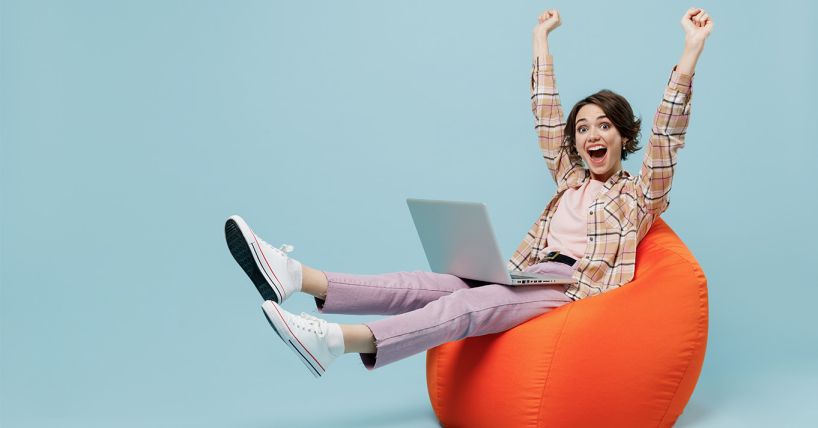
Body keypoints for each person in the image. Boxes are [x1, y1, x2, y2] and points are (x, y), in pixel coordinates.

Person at [224, 7, 713, 377]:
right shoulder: (570, 180)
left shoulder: (640, 195)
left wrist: (690, 51)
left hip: (571, 291)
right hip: (527, 274)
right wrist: (539, 40)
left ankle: (336, 341)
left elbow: (668, 135)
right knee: (421, 284)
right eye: (582, 129)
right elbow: (546, 116)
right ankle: (295, 276)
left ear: (624, 137)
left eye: (604, 126)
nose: (591, 136)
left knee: (464, 307)